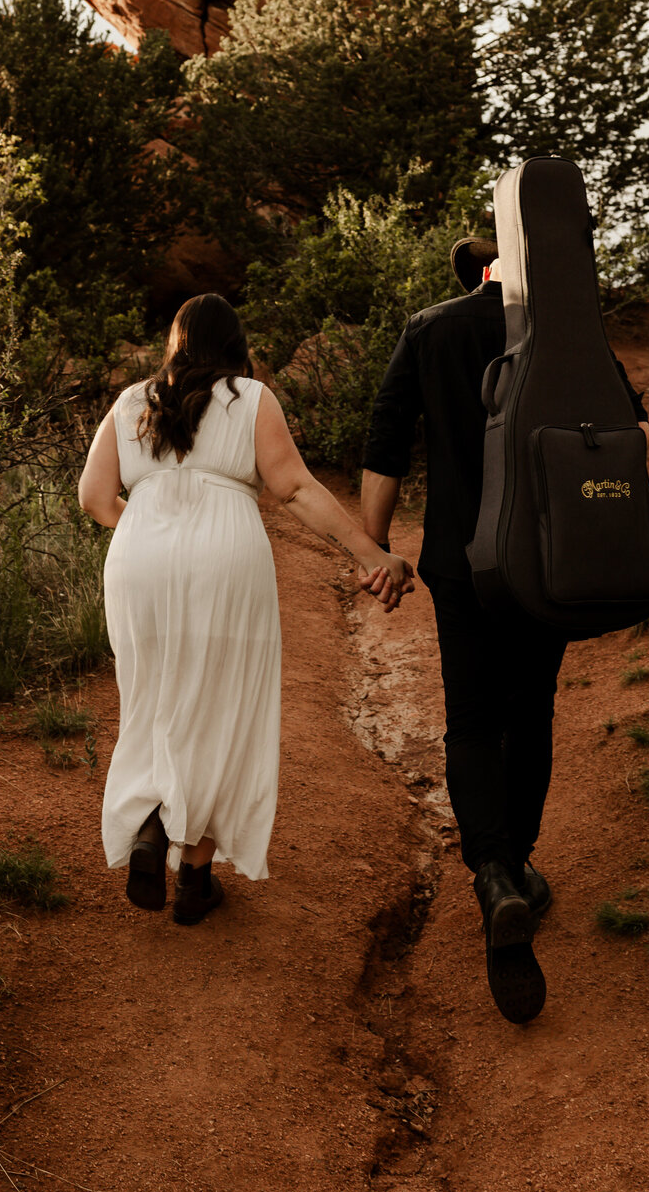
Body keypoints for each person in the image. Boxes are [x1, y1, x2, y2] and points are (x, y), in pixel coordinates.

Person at [359, 239, 649, 1023]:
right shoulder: (568, 336)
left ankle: (491, 872)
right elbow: (632, 429)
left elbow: (386, 442)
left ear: (477, 274)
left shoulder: (432, 328)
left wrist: (378, 552)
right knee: (532, 709)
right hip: (545, 560)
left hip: (460, 561)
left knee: (472, 717)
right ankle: (516, 865)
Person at [78, 293, 414, 926]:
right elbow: (293, 488)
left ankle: (151, 826)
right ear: (235, 345)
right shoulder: (249, 398)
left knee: (152, 696)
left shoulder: (130, 403)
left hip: (137, 560)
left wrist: (150, 534)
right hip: (225, 559)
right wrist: (368, 553)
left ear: (175, 344)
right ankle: (195, 880)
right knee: (224, 709)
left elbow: (94, 497)